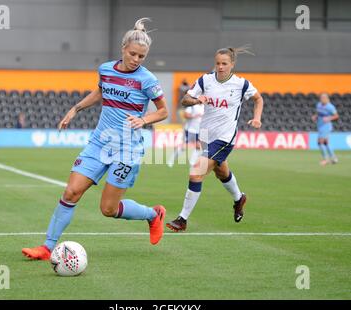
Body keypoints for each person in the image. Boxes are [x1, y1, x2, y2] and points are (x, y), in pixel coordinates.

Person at [22, 18, 168, 260]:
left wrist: (144, 120)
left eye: (141, 57)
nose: (136, 60)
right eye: (132, 54)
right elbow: (101, 92)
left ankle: (153, 215)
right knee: (71, 192)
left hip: (126, 150)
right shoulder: (106, 69)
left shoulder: (147, 80)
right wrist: (75, 109)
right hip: (99, 143)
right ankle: (47, 248)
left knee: (108, 210)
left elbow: (164, 111)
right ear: (123, 48)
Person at [166, 46, 264, 232]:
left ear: (232, 64)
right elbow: (185, 100)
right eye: (218, 63)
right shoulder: (205, 80)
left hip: (225, 137)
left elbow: (258, 99)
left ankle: (182, 219)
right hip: (206, 135)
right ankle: (239, 198)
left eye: (224, 63)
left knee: (196, 172)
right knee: (221, 171)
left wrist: (257, 117)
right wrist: (197, 100)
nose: (220, 67)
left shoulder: (241, 84)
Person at [167, 102, 204, 167]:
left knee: (198, 147)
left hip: (199, 130)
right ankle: (171, 159)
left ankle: (192, 162)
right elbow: (185, 115)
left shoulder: (204, 106)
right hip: (190, 129)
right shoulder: (192, 105)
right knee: (183, 147)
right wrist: (194, 116)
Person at [311, 93, 339, 165]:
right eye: (321, 98)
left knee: (320, 142)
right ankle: (334, 158)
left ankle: (325, 159)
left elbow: (336, 116)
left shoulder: (330, 107)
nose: (322, 99)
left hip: (326, 126)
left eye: (324, 98)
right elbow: (319, 113)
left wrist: (329, 118)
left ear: (327, 99)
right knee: (326, 143)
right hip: (320, 125)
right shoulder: (319, 105)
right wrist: (315, 117)